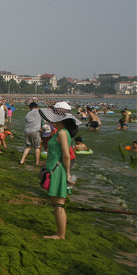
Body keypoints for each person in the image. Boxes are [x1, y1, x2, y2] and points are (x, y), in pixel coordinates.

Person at [39, 102, 81, 240]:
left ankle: (60, 235)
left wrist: (68, 174)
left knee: (58, 205)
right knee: (57, 203)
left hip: (57, 170)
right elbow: (55, 152)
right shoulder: (61, 132)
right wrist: (44, 163)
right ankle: (60, 233)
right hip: (53, 168)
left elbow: (66, 155)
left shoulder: (63, 132)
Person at [19, 102, 42, 166]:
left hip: (27, 131)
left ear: (30, 107)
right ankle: (37, 162)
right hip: (35, 131)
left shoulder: (28, 113)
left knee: (28, 146)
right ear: (36, 106)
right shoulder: (39, 112)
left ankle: (22, 160)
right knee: (37, 147)